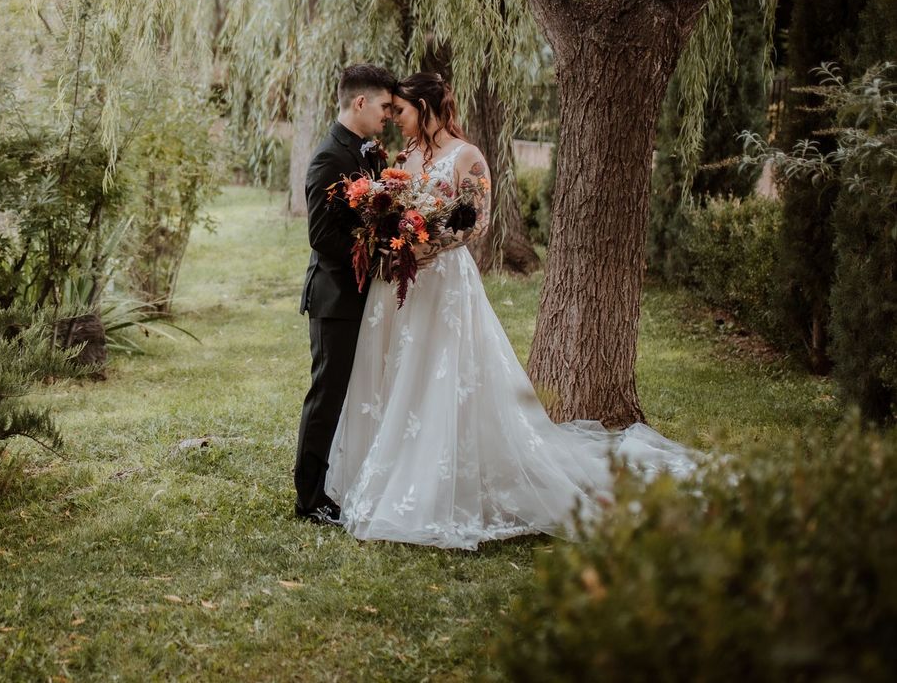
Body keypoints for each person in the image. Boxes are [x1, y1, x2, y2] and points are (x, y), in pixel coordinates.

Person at [324, 71, 697, 547]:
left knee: (440, 371)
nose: (396, 119)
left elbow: (475, 223)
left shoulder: (468, 157)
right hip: (402, 283)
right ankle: (391, 466)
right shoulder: (404, 157)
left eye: (402, 110)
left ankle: (442, 479)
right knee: (398, 372)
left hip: (442, 281)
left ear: (427, 107)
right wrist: (396, 240)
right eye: (392, 111)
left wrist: (428, 246)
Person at [295, 62, 397, 524]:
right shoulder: (328, 158)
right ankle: (309, 497)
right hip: (335, 299)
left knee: (358, 392)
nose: (388, 115)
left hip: (363, 296)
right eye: (383, 106)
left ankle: (344, 478)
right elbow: (321, 236)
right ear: (359, 102)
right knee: (327, 394)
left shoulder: (369, 153)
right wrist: (375, 258)